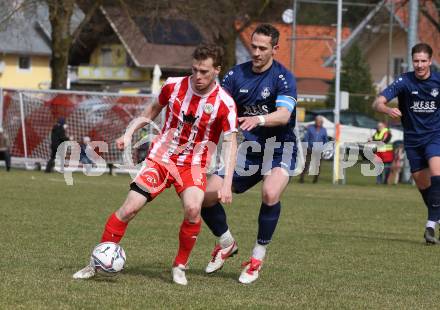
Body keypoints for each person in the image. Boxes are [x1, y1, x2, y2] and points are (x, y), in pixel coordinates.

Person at [73, 44, 238, 285]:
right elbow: (151, 110)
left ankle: (180, 265)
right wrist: (128, 134)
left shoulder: (225, 103)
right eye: (195, 70)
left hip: (192, 165)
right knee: (129, 208)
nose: (198, 76)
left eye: (204, 71)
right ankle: (95, 263)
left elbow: (231, 142)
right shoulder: (173, 85)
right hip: (161, 159)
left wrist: (226, 184)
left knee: (193, 210)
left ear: (217, 70)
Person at [200, 24, 297, 284]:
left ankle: (256, 258)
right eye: (253, 46)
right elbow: (218, 106)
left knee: (270, 192)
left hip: (280, 148)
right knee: (205, 197)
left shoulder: (283, 78)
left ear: (275, 49)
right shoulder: (235, 75)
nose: (256, 52)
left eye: (262, 48)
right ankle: (226, 243)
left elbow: (284, 115)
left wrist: (260, 119)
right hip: (249, 151)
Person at [372, 43, 440, 244]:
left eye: (423, 61)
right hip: (412, 139)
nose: (419, 65)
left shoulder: (438, 80)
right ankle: (436, 217)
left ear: (430, 61)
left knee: (437, 176)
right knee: (423, 184)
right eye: (416, 61)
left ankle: (429, 226)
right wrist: (387, 110)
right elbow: (377, 102)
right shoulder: (404, 80)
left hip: (435, 136)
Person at [299, 115, 328, 183]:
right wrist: (308, 145)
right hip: (310, 148)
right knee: (307, 164)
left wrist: (324, 147)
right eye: (317, 121)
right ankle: (301, 179)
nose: (319, 123)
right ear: (315, 121)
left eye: (320, 122)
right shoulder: (310, 128)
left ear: (322, 122)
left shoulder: (324, 130)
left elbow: (325, 140)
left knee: (317, 165)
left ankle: (315, 180)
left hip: (319, 149)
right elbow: (306, 138)